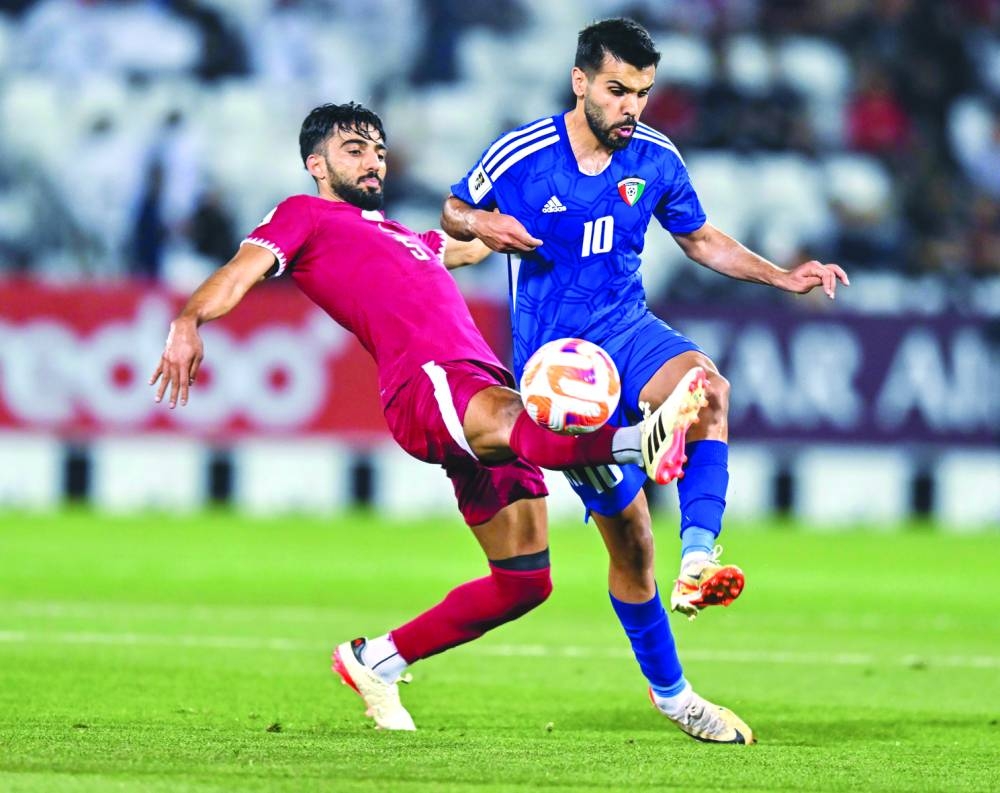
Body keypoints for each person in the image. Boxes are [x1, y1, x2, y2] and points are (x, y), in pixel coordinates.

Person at [149, 101, 752, 743]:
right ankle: (638, 441)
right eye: (354, 148)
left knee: (525, 581)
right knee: (522, 416)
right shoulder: (304, 217)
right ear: (315, 163)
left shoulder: (404, 238)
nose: (373, 158)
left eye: (378, 148)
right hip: (427, 385)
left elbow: (466, 242)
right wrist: (189, 321)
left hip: (480, 384)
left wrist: (518, 224)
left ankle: (375, 659)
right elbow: (241, 272)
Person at [442, 18, 848, 728]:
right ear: (581, 83)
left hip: (627, 331)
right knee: (631, 542)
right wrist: (481, 226)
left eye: (644, 93)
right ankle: (674, 695)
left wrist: (783, 277)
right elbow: (453, 206)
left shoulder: (655, 158)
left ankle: (699, 559)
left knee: (709, 389)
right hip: (558, 374)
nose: (632, 107)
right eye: (618, 90)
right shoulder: (525, 153)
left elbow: (699, 238)